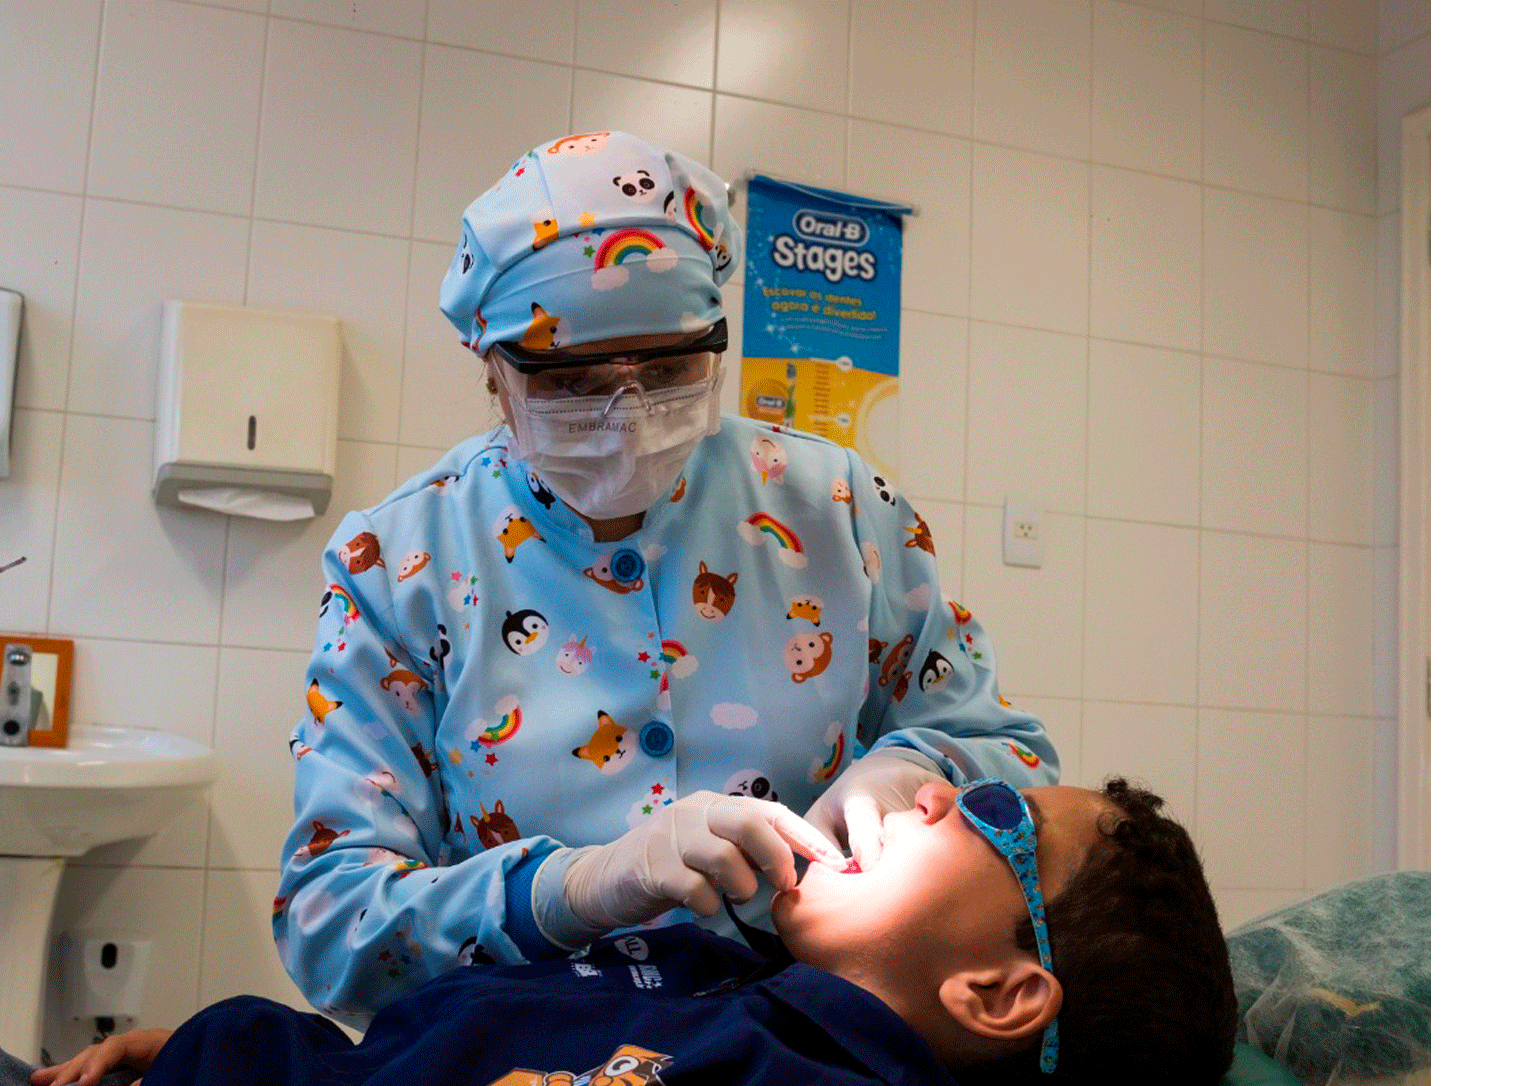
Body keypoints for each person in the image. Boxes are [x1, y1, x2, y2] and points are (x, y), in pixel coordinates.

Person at [278, 129, 1058, 1026]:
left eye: (671, 366)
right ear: (493, 369)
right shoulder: (399, 564)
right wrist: (574, 889)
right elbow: (329, 926)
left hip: (803, 1055)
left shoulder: (842, 510)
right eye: (572, 381)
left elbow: (1019, 763)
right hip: (515, 1067)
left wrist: (910, 767)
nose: (630, 412)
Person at [0, 778, 1238, 1086]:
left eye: (976, 805)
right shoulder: (739, 998)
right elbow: (435, 1060)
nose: (911, 784)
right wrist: (203, 1046)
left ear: (1000, 988)